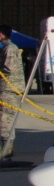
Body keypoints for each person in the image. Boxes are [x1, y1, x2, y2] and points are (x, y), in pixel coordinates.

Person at [0, 23, 23, 166]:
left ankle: (6, 153)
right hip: (7, 88)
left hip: (9, 89)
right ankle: (5, 151)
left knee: (5, 121)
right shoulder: (7, 47)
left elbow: (8, 69)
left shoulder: (10, 48)